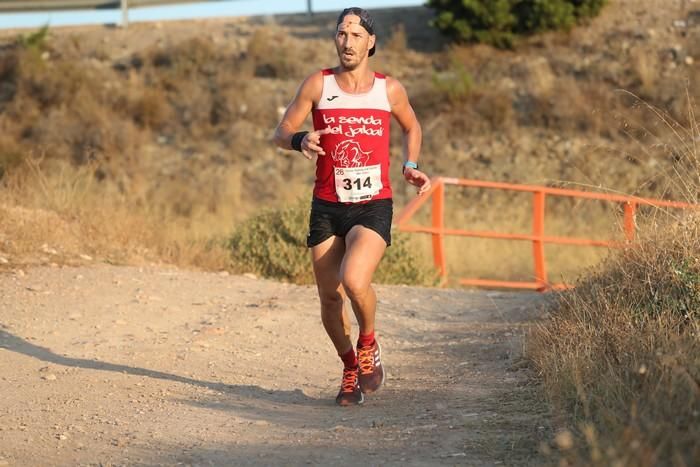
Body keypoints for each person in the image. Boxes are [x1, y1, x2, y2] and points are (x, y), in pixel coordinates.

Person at [273, 7, 430, 406]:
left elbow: (412, 125)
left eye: (356, 35)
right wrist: (300, 140)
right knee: (329, 298)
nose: (347, 42)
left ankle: (369, 343)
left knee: (355, 280)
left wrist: (410, 166)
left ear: (371, 42)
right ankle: (348, 368)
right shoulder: (318, 84)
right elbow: (281, 131)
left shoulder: (387, 89)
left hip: (372, 204)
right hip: (327, 204)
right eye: (341, 34)